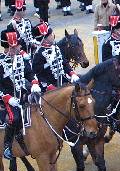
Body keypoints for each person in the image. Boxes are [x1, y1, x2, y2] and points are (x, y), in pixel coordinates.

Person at [0, 26, 40, 159]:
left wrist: (34, 83)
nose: (19, 47)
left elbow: (29, 72)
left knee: (41, 104)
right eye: (17, 45)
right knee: (15, 117)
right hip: (8, 98)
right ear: (10, 47)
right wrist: (8, 98)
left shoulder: (21, 58)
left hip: (23, 92)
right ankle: (7, 146)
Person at [31, 22, 79, 90]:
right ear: (44, 39)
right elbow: (38, 74)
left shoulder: (55, 47)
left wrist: (72, 73)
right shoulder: (38, 54)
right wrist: (49, 86)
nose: (53, 35)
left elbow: (64, 63)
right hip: (50, 87)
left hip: (63, 81)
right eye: (51, 34)